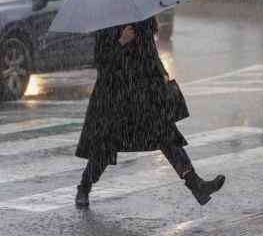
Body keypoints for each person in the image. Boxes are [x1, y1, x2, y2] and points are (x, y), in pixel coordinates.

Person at [74, 17, 225, 208]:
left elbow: (150, 51)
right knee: (105, 146)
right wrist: (121, 42)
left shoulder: (141, 17)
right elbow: (101, 63)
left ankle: (196, 185)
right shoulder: (106, 21)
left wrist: (161, 71)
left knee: (167, 138)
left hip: (144, 92)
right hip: (115, 96)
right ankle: (84, 187)